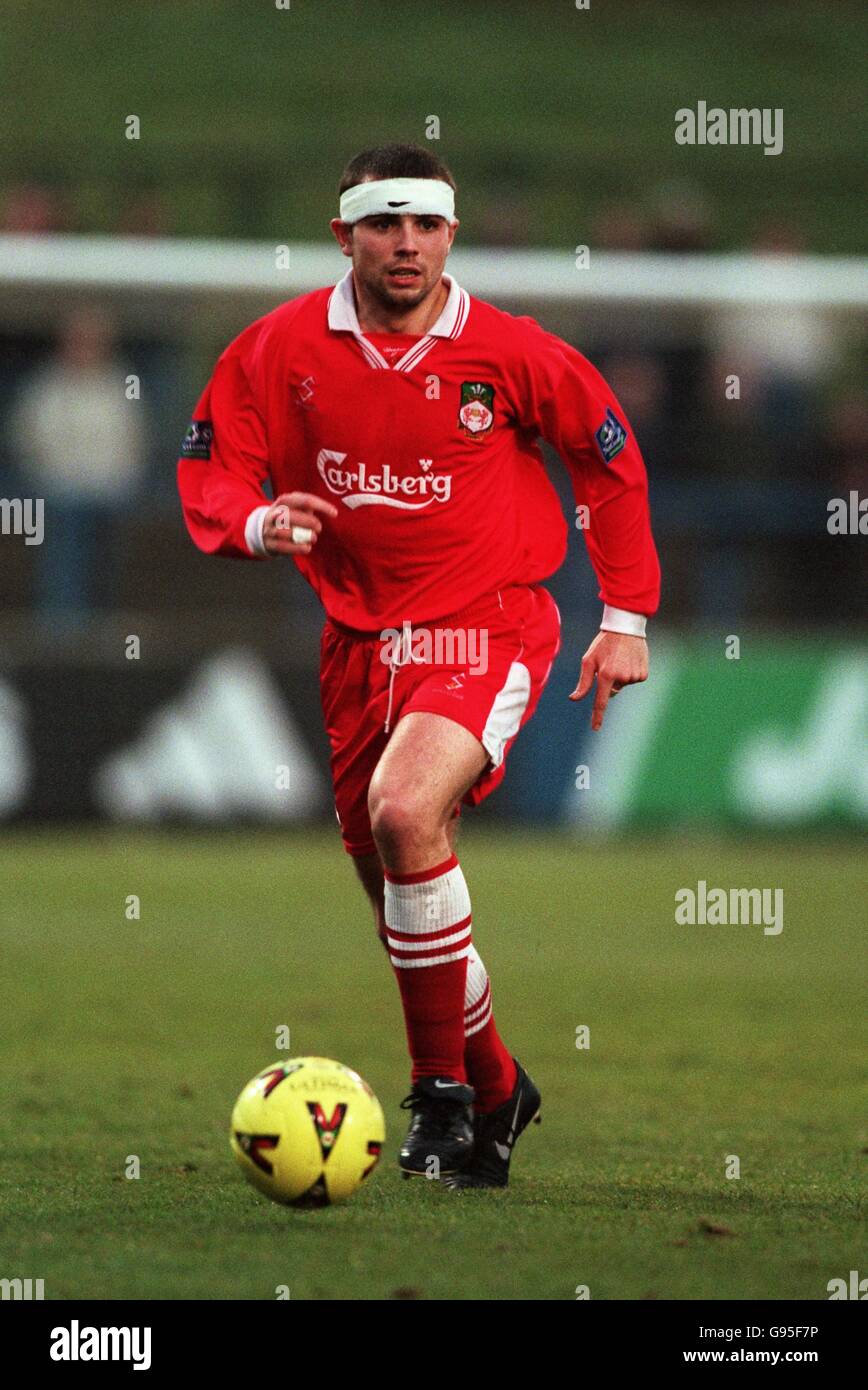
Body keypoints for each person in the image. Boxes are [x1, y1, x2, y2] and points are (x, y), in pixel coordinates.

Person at [177, 144, 660, 1191]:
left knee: (405, 813)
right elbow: (213, 463)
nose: (406, 243)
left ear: (451, 233)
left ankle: (438, 1095)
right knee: (396, 882)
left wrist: (624, 613)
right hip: (358, 647)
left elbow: (609, 457)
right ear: (343, 232)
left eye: (426, 224)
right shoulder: (277, 349)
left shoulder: (508, 351)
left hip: (485, 629)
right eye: (383, 223)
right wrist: (253, 520)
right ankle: (497, 1086)